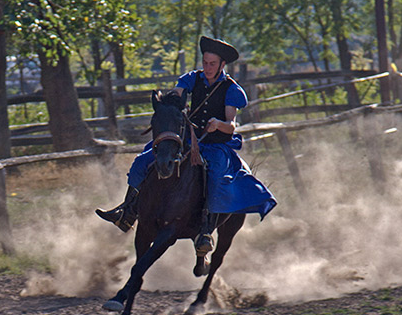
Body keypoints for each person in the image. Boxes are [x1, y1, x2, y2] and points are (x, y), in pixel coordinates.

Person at [95, 36, 276, 252]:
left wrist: (218, 124)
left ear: (221, 65)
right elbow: (177, 94)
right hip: (188, 139)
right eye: (205, 63)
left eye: (212, 64)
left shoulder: (231, 90)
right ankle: (128, 211)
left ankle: (206, 230)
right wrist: (170, 104)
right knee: (143, 160)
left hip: (216, 144)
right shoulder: (192, 79)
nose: (207, 68)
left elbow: (231, 126)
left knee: (217, 175)